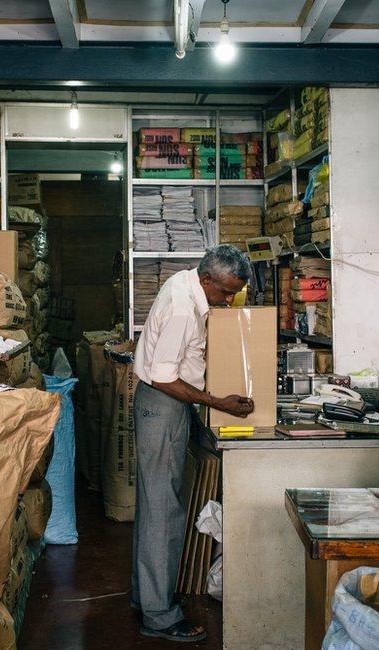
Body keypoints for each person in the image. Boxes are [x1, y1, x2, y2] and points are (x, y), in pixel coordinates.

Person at [131, 244, 255, 642]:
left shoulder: (185, 283)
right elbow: (164, 377)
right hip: (162, 405)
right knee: (163, 512)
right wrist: (218, 402)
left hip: (164, 405)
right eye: (224, 293)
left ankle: (145, 596)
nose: (228, 301)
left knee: (155, 504)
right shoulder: (185, 309)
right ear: (206, 279)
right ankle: (159, 615)